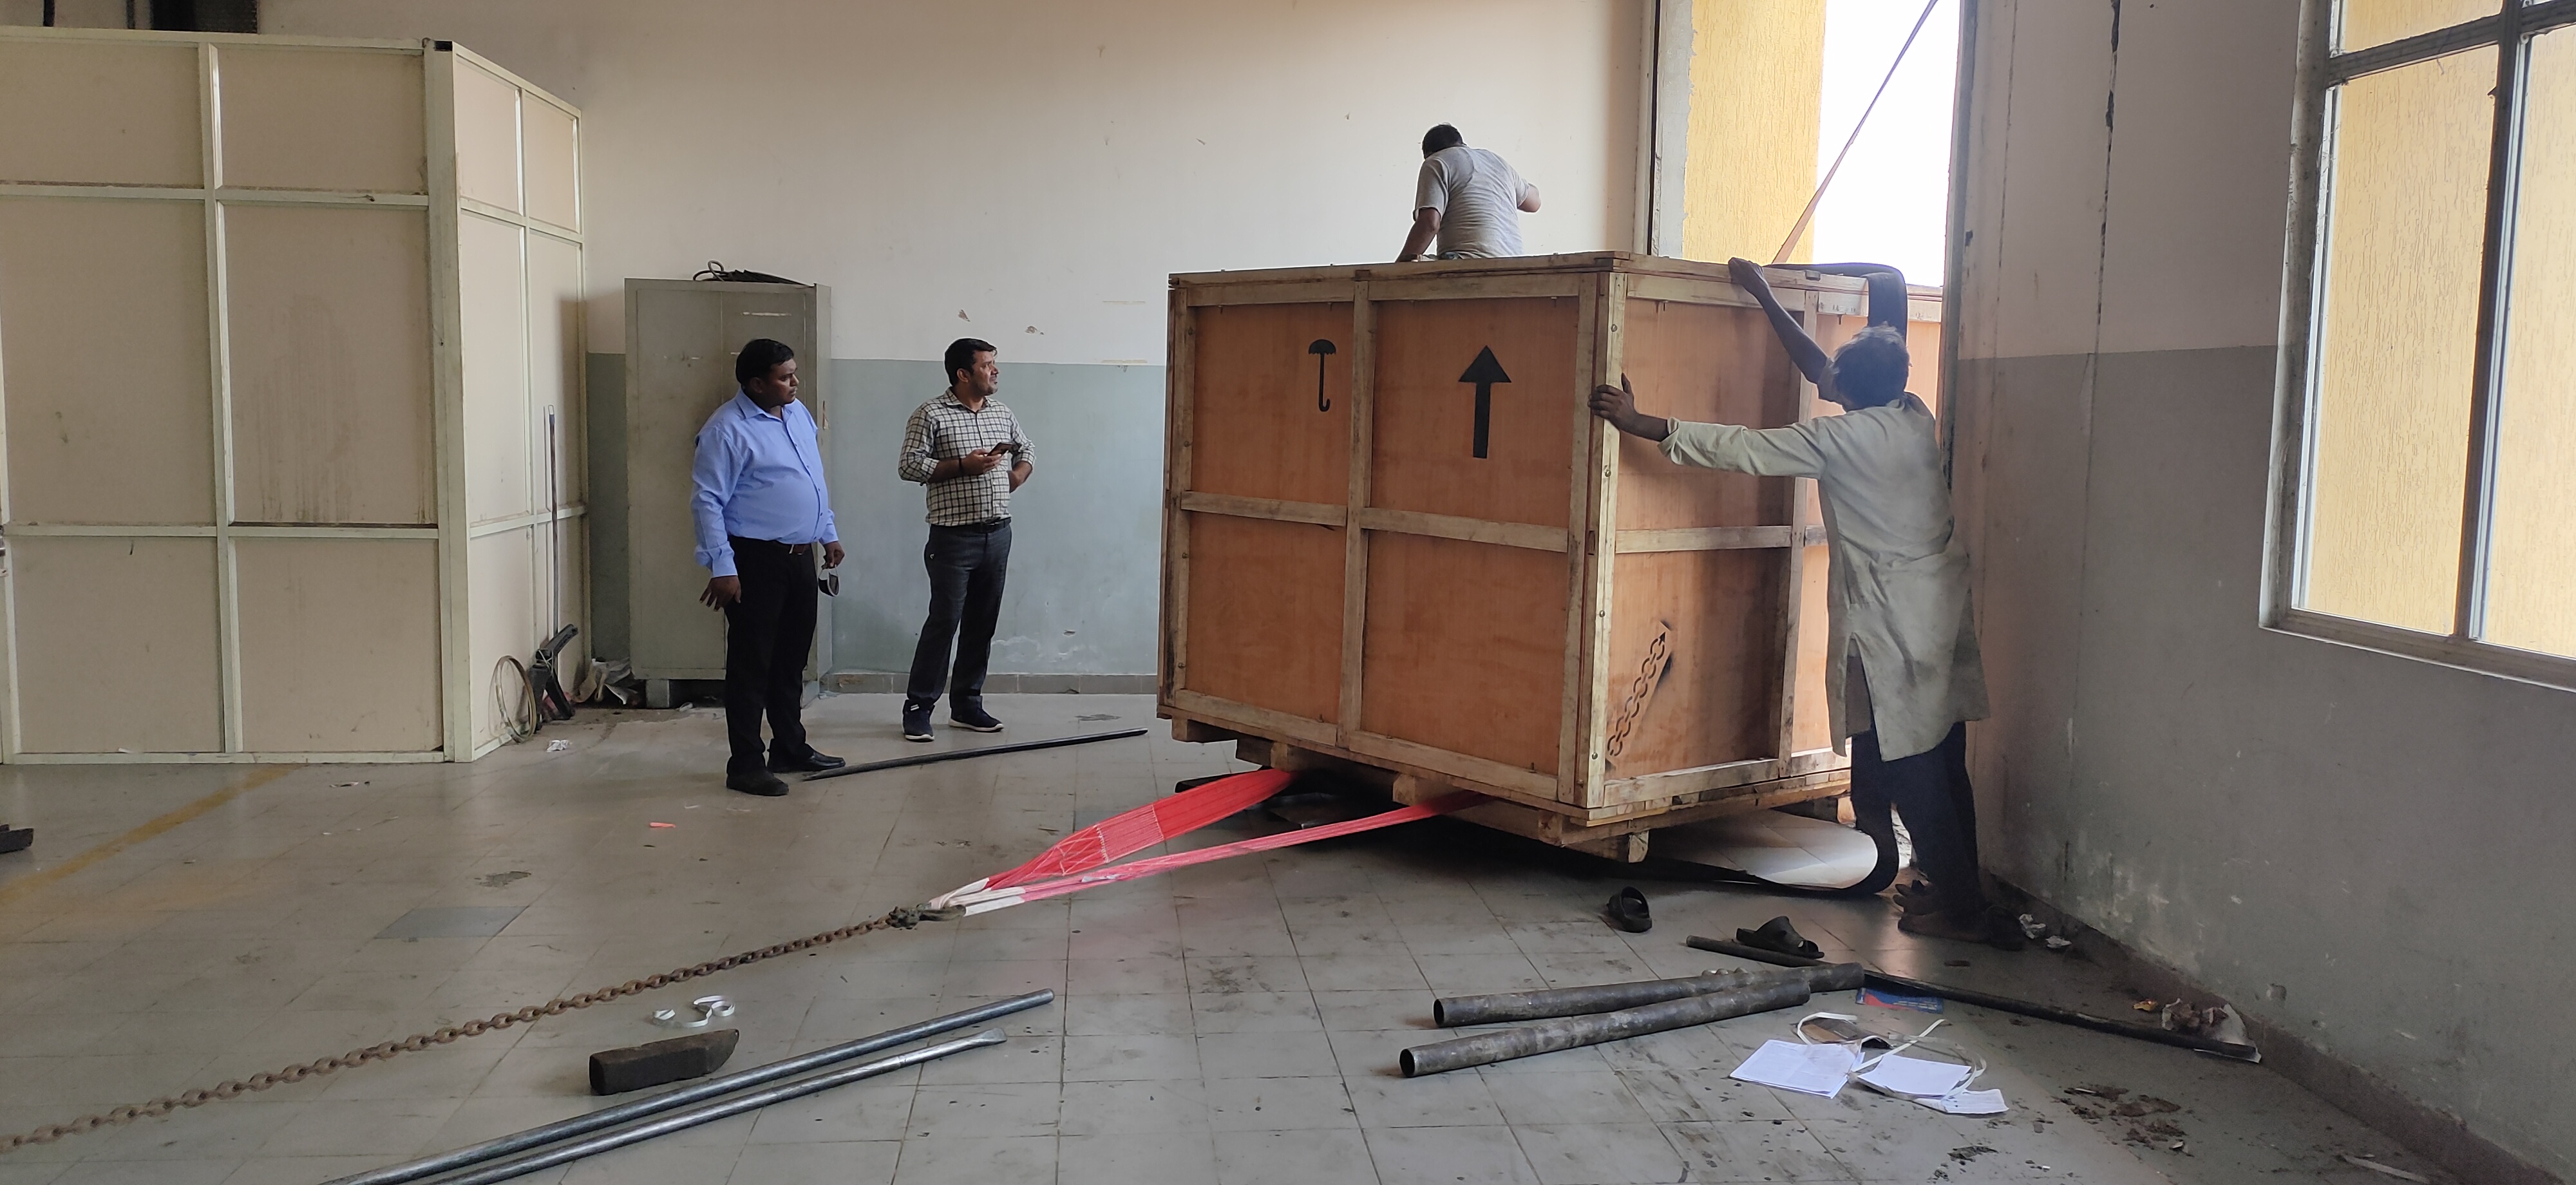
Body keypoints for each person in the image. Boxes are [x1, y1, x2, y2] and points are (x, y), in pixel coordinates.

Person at [1587, 258, 2017, 951]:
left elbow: (1743, 448)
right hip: (1934, 615)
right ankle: (1958, 888)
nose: (1827, 382)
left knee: (1910, 767)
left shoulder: (1839, 441)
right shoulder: (1911, 414)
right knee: (1942, 757)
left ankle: (1962, 911)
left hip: (1894, 627)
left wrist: (1640, 422)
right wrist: (1763, 294)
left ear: (1848, 391)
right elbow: (1824, 369)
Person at [691, 338, 846, 797]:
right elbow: (707, 501)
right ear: (757, 384)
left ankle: (789, 747)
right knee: (751, 665)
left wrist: (827, 532)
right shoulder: (726, 430)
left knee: (791, 660)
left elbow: (813, 478)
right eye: (785, 377)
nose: (795, 383)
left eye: (794, 373)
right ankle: (744, 764)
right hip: (755, 560)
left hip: (801, 556)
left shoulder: (797, 414)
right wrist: (722, 566)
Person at [896, 338, 1034, 743]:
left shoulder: (1001, 412)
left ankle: (967, 704)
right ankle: (919, 708)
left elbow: (1027, 447)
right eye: (987, 365)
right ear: (963, 374)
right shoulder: (930, 414)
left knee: (982, 623)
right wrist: (962, 466)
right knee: (944, 622)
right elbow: (909, 465)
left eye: (994, 364)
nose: (995, 371)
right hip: (953, 538)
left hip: (999, 533)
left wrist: (1017, 475)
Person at [1397, 124, 1540, 261]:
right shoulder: (1498, 162)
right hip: (1513, 265)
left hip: (1468, 262)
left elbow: (1429, 224)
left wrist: (1398, 268)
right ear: (1462, 144)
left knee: (1415, 265)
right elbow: (1534, 204)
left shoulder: (1436, 161)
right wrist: (1519, 184)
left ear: (1428, 154)